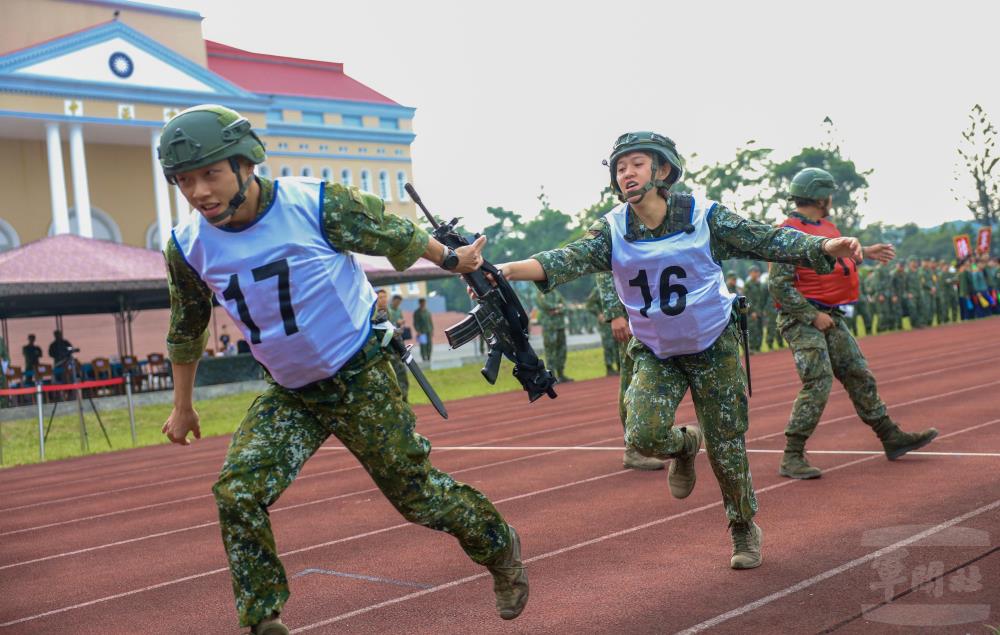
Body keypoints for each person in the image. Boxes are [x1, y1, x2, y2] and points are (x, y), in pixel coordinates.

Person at [157, 104, 527, 634]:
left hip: (360, 373)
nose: (198, 192)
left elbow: (393, 232)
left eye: (210, 174)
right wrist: (183, 405)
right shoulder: (187, 246)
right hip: (290, 394)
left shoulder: (314, 204)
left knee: (416, 496)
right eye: (183, 181)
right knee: (237, 493)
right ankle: (263, 619)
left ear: (246, 164)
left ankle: (498, 546)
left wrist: (452, 259)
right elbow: (186, 327)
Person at [492, 131, 865, 569]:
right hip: (656, 350)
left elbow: (765, 239)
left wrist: (822, 246)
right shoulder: (612, 229)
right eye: (620, 168)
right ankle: (685, 446)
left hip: (713, 344)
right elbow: (564, 259)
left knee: (726, 446)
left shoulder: (704, 216)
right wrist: (505, 270)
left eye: (636, 164)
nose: (626, 174)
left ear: (662, 170)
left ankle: (743, 527)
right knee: (642, 434)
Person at [768, 168, 938, 481]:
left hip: (831, 315)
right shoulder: (788, 232)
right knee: (818, 380)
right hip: (802, 319)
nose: (832, 199)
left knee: (857, 372)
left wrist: (865, 253)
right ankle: (792, 456)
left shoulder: (826, 227)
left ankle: (890, 436)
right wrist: (811, 316)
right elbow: (779, 285)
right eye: (829, 194)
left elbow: (833, 260)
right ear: (821, 197)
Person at [596, 271, 665, 471]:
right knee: (633, 378)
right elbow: (605, 270)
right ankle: (634, 449)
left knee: (657, 376)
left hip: (651, 312)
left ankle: (652, 439)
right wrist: (615, 314)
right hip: (631, 317)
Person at [533, 286, 572, 382]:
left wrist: (557, 310)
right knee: (550, 352)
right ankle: (552, 376)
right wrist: (558, 306)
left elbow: (566, 307)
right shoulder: (541, 293)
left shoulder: (556, 293)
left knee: (562, 350)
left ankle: (561, 374)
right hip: (549, 327)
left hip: (560, 326)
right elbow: (544, 305)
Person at [376, 289, 409, 401]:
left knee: (402, 376)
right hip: (382, 353)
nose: (383, 300)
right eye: (380, 297)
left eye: (385, 297)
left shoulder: (388, 312)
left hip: (394, 351)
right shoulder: (373, 314)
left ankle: (404, 400)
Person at [584, 278, 619, 376]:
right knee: (608, 344)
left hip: (618, 320)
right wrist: (598, 313)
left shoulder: (619, 285)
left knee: (619, 344)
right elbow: (589, 304)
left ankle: (620, 366)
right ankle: (609, 367)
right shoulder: (599, 288)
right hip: (606, 323)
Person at [742, 265, 766, 352]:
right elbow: (747, 300)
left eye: (757, 272)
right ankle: (752, 348)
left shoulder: (760, 284)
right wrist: (752, 311)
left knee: (760, 329)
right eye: (754, 272)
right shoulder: (748, 285)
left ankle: (758, 348)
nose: (756, 274)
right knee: (753, 329)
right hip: (752, 312)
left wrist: (763, 309)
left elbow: (762, 299)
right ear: (750, 273)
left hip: (760, 311)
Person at [412, 297, 434, 362]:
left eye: (424, 303)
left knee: (429, 345)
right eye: (422, 303)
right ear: (420, 303)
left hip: (428, 331)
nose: (424, 304)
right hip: (421, 332)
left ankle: (429, 357)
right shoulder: (417, 312)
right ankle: (424, 358)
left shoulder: (427, 311)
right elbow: (415, 323)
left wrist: (432, 330)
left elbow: (430, 321)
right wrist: (418, 331)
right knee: (423, 345)